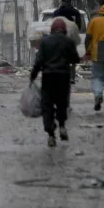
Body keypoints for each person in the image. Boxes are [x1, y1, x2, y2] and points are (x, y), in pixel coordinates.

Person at [31, 18, 80, 147]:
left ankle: (51, 135)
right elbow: (75, 58)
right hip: (63, 77)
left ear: (52, 30)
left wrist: (33, 76)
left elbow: (39, 61)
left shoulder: (45, 42)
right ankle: (62, 126)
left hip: (48, 78)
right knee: (62, 103)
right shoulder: (68, 42)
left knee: (47, 106)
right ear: (64, 30)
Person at [52, 0, 83, 84]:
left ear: (62, 1)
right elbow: (78, 25)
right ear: (70, 1)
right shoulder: (75, 12)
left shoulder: (56, 12)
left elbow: (52, 24)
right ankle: (72, 77)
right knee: (72, 57)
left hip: (58, 37)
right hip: (70, 37)